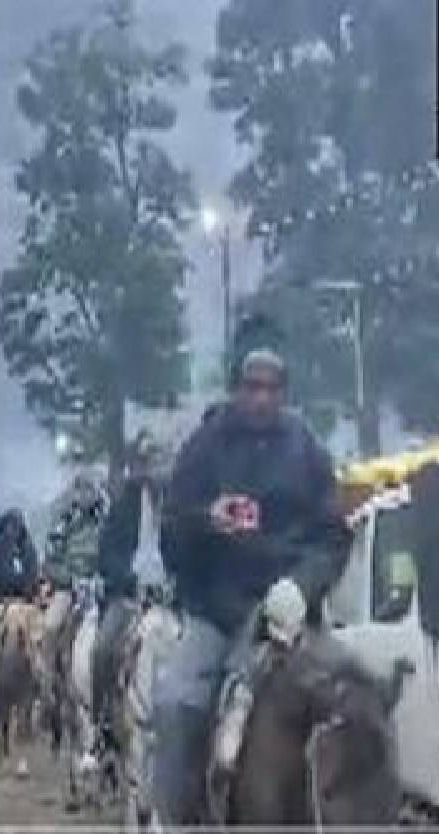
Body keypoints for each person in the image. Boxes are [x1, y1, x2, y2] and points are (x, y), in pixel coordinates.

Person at [152, 349, 350, 825]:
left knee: (358, 693)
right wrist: (207, 521)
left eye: (271, 388)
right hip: (216, 613)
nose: (261, 398)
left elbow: (332, 536)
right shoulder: (204, 448)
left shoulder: (308, 453)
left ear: (284, 393)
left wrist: (302, 586)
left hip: (290, 615)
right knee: (177, 700)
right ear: (237, 389)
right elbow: (172, 531)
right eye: (252, 387)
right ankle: (179, 817)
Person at [91, 435, 163, 733]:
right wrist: (129, 579)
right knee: (103, 650)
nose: (151, 470)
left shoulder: (180, 506)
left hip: (173, 601)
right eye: (145, 463)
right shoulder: (122, 509)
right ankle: (102, 723)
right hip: (128, 599)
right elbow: (107, 557)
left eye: (156, 462)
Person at [0, 508, 40, 603]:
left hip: (21, 592)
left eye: (16, 526)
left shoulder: (27, 546)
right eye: (12, 525)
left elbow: (31, 571)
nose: (13, 530)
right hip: (1, 592)